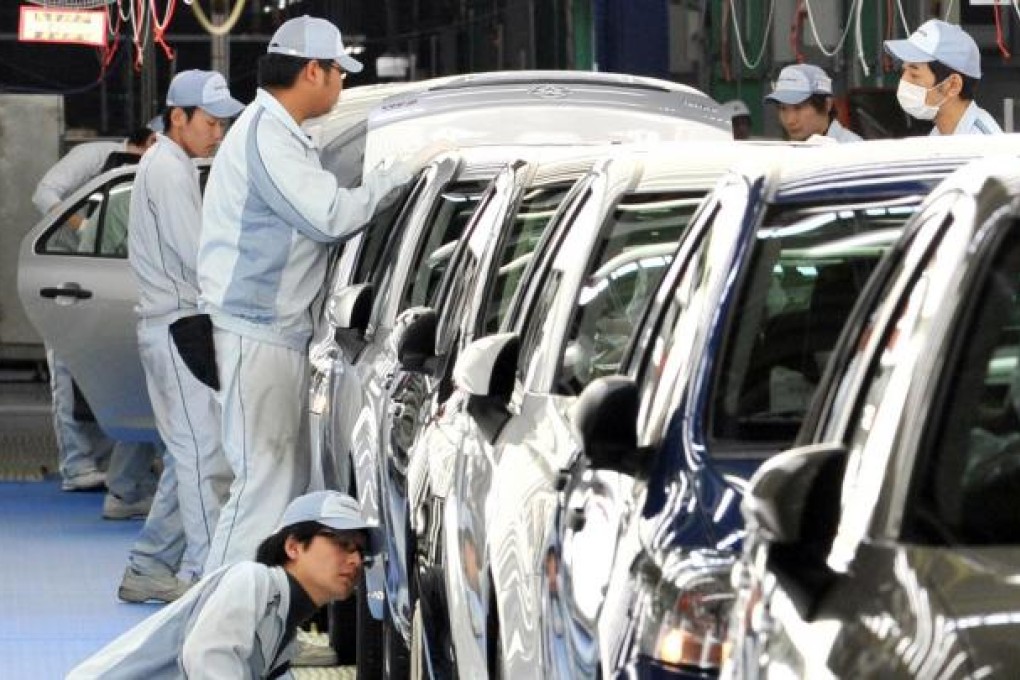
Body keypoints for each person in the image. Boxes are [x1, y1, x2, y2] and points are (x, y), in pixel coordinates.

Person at [197, 15, 421, 572]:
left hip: (271, 334)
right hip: (255, 334)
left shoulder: (281, 135)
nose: (341, 84)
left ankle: (245, 632)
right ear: (312, 71)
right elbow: (327, 216)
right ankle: (211, 633)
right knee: (260, 493)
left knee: (272, 492)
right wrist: (392, 180)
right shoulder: (266, 136)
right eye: (338, 72)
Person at [115, 70, 243, 604]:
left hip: (173, 323)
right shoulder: (167, 170)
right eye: (210, 122)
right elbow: (198, 256)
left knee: (189, 448)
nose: (217, 132)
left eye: (222, 123)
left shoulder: (171, 165)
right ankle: (209, 580)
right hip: (179, 324)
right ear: (178, 118)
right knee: (200, 456)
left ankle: (149, 565)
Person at [67, 490, 375, 678]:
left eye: (361, 551)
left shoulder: (282, 636)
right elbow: (205, 658)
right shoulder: (250, 581)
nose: (355, 561)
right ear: (293, 546)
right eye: (343, 544)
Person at [32, 126, 163, 521]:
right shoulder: (95, 157)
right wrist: (84, 228)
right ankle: (76, 466)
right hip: (68, 273)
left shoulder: (147, 176)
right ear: (149, 140)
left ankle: (112, 469)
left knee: (111, 377)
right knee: (67, 372)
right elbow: (43, 195)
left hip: (109, 278)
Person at [884, 18, 1002, 136]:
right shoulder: (941, 132)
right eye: (903, 71)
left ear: (953, 85)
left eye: (914, 74)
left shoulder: (983, 145)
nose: (904, 81)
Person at [765, 63, 862, 142]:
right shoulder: (784, 151)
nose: (790, 120)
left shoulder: (852, 149)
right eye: (783, 108)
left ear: (827, 105)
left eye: (799, 108)